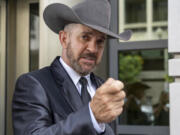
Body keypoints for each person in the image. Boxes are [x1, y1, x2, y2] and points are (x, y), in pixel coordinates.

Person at [12, 0, 132, 135]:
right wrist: (92, 116)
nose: (93, 49)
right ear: (64, 39)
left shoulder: (102, 87)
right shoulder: (33, 84)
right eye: (85, 37)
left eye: (100, 41)